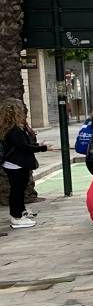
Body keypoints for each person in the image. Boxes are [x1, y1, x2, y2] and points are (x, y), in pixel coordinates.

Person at [1, 98, 49, 229]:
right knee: (17, 190)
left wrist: (38, 145)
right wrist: (42, 148)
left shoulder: (12, 128)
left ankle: (20, 212)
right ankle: (16, 216)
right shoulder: (14, 130)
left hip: (16, 164)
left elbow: (24, 145)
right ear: (16, 111)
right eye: (21, 109)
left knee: (19, 190)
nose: (24, 111)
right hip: (15, 164)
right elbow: (24, 147)